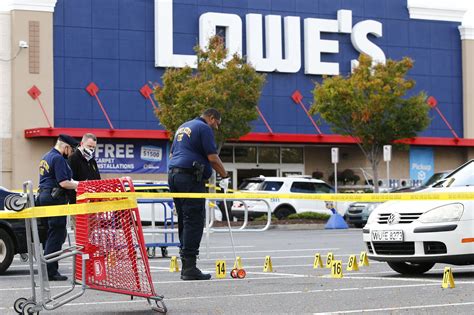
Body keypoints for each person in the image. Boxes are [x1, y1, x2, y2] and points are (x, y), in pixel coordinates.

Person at [168, 108, 228, 281]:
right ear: (211, 118)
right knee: (194, 219)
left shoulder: (183, 126)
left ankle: (186, 262)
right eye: (217, 123)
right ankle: (189, 267)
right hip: (189, 177)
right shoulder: (204, 128)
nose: (216, 127)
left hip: (174, 175)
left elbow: (172, 154)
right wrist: (225, 175)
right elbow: (213, 158)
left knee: (184, 219)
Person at [38, 134, 79, 281]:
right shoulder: (58, 158)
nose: (72, 153)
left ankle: (46, 268)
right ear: (65, 146)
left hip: (44, 197)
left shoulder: (46, 156)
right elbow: (63, 183)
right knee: (57, 234)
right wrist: (81, 185)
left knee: (50, 235)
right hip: (55, 199)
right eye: (71, 149)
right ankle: (50, 271)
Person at [68, 133, 101, 204]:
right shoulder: (73, 158)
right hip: (77, 201)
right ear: (82, 143)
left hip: (91, 202)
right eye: (89, 146)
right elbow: (69, 181)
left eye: (93, 147)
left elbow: (97, 179)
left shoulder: (92, 161)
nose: (91, 149)